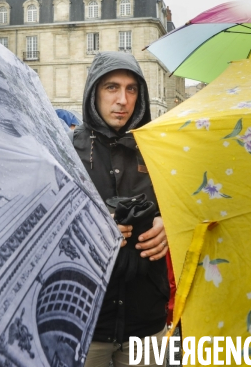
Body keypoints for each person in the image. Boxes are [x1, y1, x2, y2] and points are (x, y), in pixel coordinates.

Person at [70, 51, 170, 366]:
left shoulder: (159, 150)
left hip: (146, 320)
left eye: (131, 89)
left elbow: (189, 208)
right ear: (93, 92)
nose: (122, 100)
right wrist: (93, 226)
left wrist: (169, 224)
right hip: (87, 322)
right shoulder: (67, 150)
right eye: (112, 87)